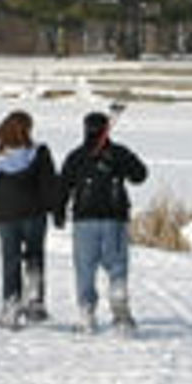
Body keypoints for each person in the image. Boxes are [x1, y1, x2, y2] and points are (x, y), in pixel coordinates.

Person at [58, 109, 150, 332]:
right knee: (116, 265)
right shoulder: (118, 153)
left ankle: (86, 314)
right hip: (114, 220)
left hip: (84, 221)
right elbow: (140, 175)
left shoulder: (76, 156)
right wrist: (119, 160)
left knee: (85, 268)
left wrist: (58, 212)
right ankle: (119, 299)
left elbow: (62, 187)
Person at [0, 107, 59, 327]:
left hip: (7, 216)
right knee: (34, 257)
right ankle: (35, 304)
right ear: (28, 129)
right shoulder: (40, 153)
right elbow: (49, 184)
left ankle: (11, 306)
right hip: (35, 215)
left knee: (10, 261)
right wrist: (56, 209)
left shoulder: (0, 160)